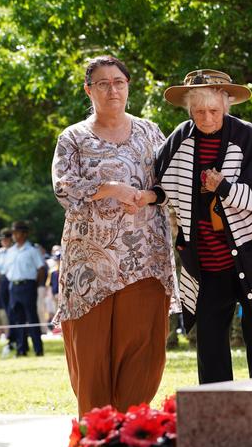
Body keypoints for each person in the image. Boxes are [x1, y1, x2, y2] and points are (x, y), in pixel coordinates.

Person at [52, 55, 177, 416]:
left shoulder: (150, 131)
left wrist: (148, 195)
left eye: (119, 82)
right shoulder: (73, 137)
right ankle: (97, 431)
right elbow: (64, 187)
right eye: (103, 83)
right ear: (88, 90)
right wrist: (110, 188)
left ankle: (132, 430)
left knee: (144, 351)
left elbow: (168, 183)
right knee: (91, 353)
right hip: (91, 264)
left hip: (145, 259)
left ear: (128, 87)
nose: (112, 89)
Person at [144, 69, 252, 384]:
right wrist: (150, 197)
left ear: (226, 106)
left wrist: (225, 188)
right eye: (198, 112)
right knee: (209, 343)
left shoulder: (246, 135)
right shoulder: (181, 136)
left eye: (213, 111)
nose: (206, 119)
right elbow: (165, 186)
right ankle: (216, 410)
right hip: (207, 262)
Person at [4, 221, 46, 357]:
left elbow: (41, 269)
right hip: (14, 286)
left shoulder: (32, 250)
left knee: (32, 317)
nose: (15, 236)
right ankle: (21, 349)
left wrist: (36, 285)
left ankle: (38, 349)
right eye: (13, 233)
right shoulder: (10, 251)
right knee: (17, 319)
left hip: (28, 285)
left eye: (17, 232)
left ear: (25, 234)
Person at [0, 227, 14, 348]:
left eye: (5, 239)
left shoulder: (15, 251)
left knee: (13, 310)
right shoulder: (0, 252)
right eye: (2, 240)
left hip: (12, 279)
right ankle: (10, 337)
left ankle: (15, 336)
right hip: (3, 282)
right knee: (7, 311)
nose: (3, 242)